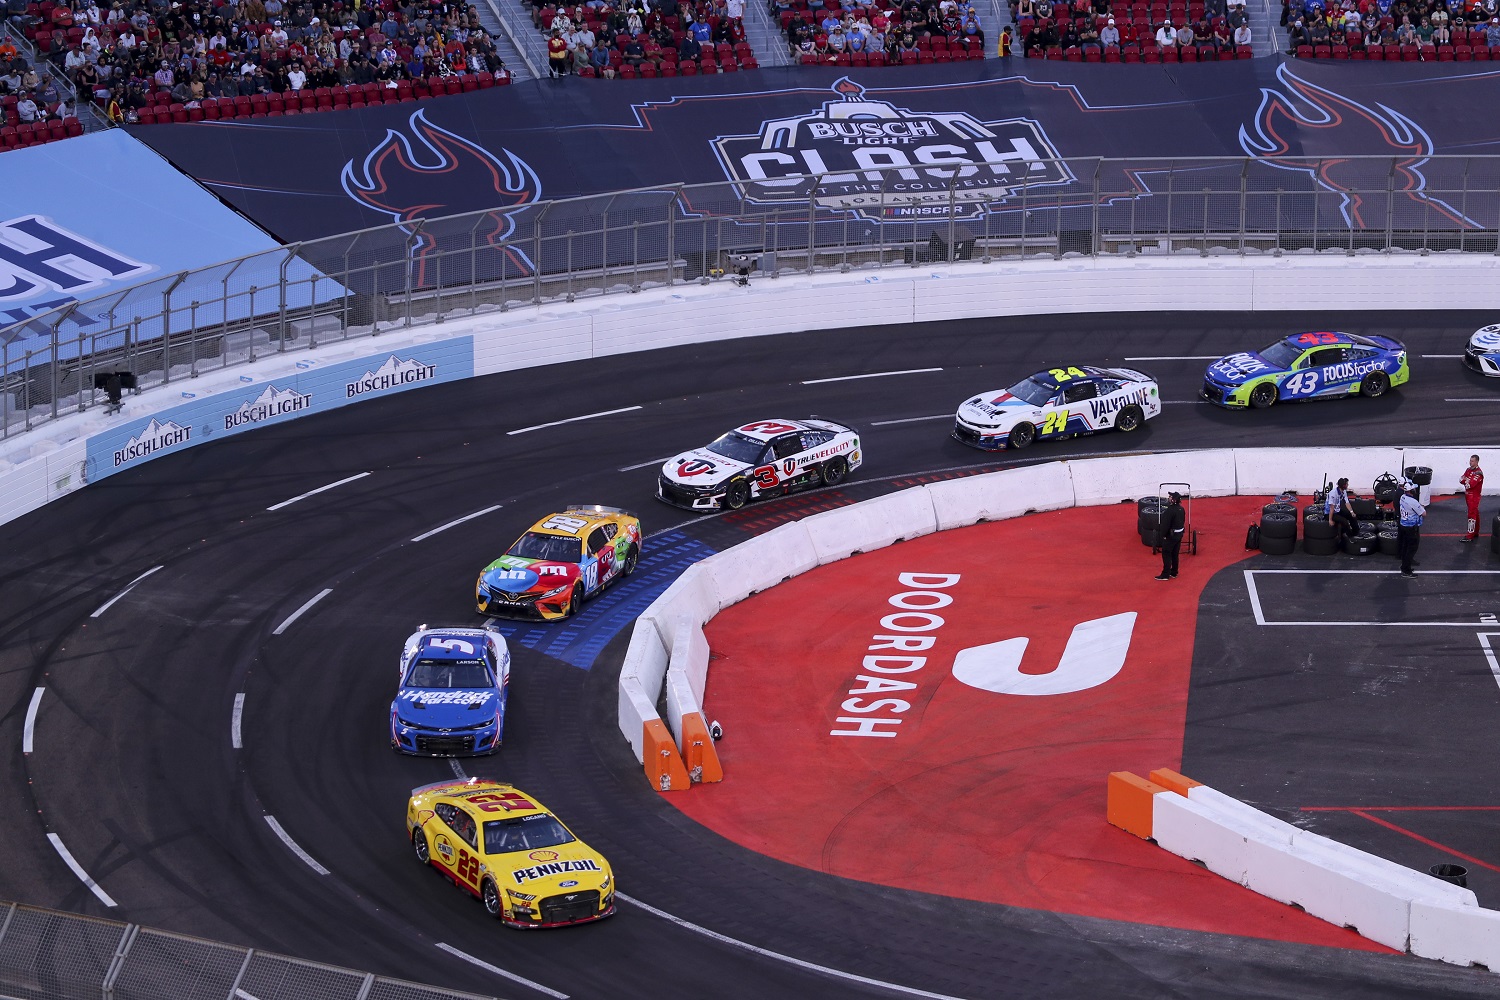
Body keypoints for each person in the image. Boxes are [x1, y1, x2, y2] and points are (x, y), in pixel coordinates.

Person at [1398, 479, 1425, 577]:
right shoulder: (1413, 502)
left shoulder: (1402, 497)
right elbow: (1423, 513)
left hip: (1404, 525)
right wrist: (1421, 506)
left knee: (1406, 547)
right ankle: (1406, 570)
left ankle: (1404, 566)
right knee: (1411, 549)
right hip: (1411, 527)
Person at [1156, 492, 1186, 581]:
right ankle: (1174, 572)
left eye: (1170, 497)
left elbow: (1165, 525)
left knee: (1166, 553)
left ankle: (1165, 574)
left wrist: (1164, 535)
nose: (1168, 498)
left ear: (1173, 500)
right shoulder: (1181, 509)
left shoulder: (1170, 511)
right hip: (1179, 534)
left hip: (1171, 536)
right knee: (1175, 554)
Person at [1460, 454, 1484, 541]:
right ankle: (1476, 532)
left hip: (1474, 497)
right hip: (1468, 496)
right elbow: (1461, 479)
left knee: (1471, 515)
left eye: (1472, 461)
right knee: (1475, 513)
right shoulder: (1468, 469)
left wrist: (1466, 480)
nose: (1471, 462)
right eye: (1470, 460)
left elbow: (1470, 485)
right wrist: (1466, 480)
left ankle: (1470, 535)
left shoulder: (1478, 473)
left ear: (1477, 462)